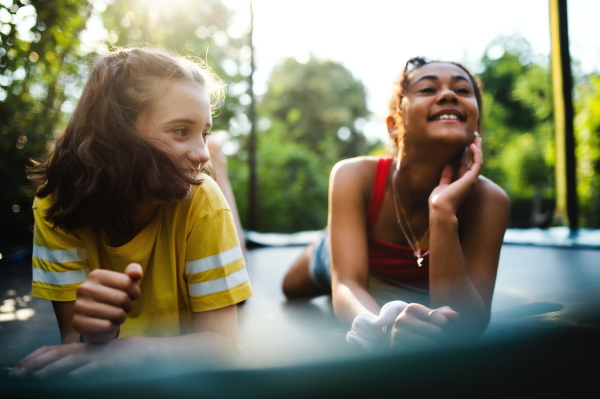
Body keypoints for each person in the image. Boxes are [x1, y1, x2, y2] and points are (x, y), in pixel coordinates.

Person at [11, 47, 252, 379]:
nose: (200, 154)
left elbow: (223, 347)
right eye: (181, 130)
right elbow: (75, 338)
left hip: (185, 377)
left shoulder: (201, 197)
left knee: (234, 242)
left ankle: (221, 161)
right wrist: (96, 332)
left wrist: (141, 350)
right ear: (116, 134)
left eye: (205, 134)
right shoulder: (55, 202)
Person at [282, 57, 509, 349]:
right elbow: (347, 285)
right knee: (290, 287)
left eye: (463, 90)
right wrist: (380, 330)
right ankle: (326, 241)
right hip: (337, 260)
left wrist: (442, 212)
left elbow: (466, 324)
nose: (449, 95)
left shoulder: (490, 202)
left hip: (400, 281)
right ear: (393, 125)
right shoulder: (354, 176)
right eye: (427, 89)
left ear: (476, 122)